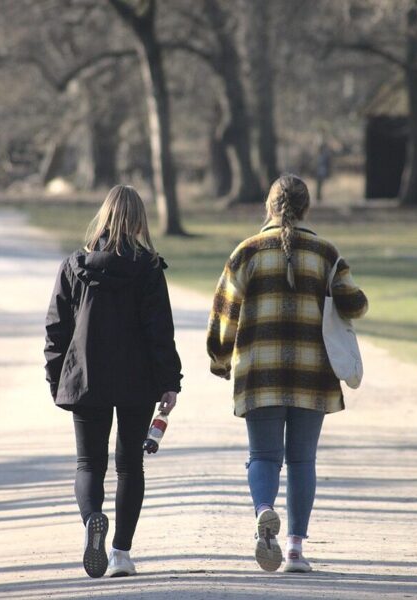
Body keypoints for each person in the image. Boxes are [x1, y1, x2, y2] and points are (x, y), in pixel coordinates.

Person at [207, 174, 368, 574]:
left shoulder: (247, 252)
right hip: (312, 374)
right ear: (306, 207)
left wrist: (221, 359)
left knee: (262, 455)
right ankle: (295, 550)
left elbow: (224, 314)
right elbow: (355, 305)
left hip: (259, 373)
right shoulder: (326, 254)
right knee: (302, 461)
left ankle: (264, 512)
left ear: (269, 206)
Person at [44, 185, 182, 579]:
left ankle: (92, 521)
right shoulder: (149, 268)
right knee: (129, 466)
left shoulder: (76, 265)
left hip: (86, 379)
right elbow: (160, 332)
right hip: (138, 381)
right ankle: (120, 553)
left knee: (89, 463)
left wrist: (57, 379)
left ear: (103, 217)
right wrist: (169, 382)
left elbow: (56, 329)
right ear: (140, 220)